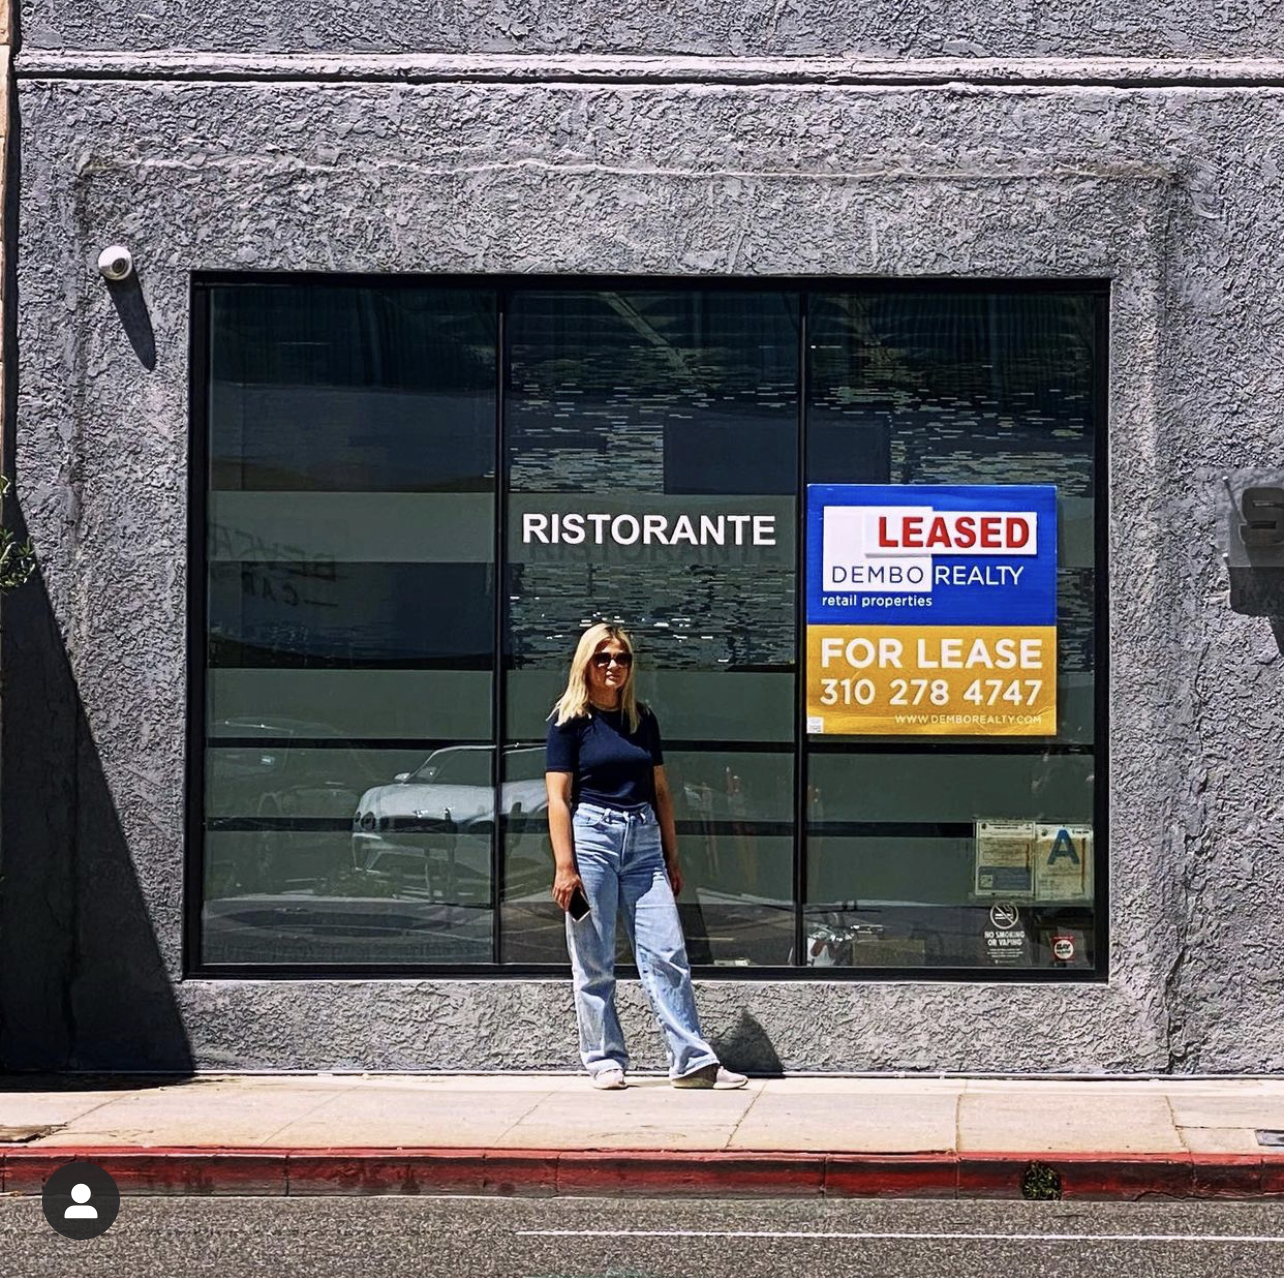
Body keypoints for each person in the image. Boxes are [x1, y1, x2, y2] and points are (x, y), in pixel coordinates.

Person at [545, 622, 747, 1091]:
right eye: (603, 658)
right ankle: (603, 1059)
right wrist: (564, 865)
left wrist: (672, 856)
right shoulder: (568, 720)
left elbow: (660, 790)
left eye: (621, 658)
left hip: (644, 840)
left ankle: (691, 1061)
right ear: (586, 663)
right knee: (594, 958)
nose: (613, 666)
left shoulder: (642, 718)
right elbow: (558, 798)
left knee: (668, 952)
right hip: (591, 837)